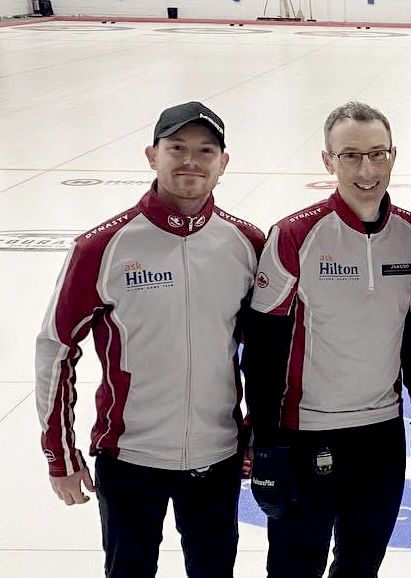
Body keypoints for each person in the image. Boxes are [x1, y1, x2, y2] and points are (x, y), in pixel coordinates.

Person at [35, 101, 265, 578]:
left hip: (216, 456)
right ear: (151, 154)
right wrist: (60, 454)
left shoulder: (247, 244)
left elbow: (266, 353)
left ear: (224, 163)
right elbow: (56, 349)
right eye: (176, 147)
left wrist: (256, 434)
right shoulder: (103, 247)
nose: (190, 161)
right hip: (129, 456)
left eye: (205, 150)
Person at [243, 101, 411, 578]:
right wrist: (267, 441)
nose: (366, 169)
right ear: (328, 161)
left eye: (377, 154)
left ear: (394, 155)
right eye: (350, 155)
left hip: (380, 435)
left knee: (362, 563)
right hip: (306, 433)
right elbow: (263, 348)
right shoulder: (295, 235)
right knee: (295, 565)